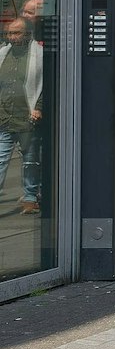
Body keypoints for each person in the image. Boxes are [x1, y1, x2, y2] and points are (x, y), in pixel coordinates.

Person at [0, 14, 43, 215]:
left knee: (30, 161)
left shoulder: (39, 55)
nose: (12, 37)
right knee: (0, 160)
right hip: (4, 117)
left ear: (27, 34)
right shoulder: (2, 53)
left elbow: (45, 85)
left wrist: (39, 107)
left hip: (27, 118)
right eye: (9, 33)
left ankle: (30, 198)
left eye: (16, 33)